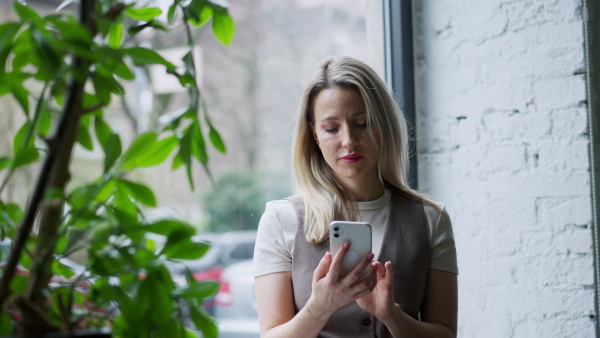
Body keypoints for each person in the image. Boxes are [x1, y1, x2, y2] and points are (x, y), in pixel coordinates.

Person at [253, 56, 458, 338]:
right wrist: (319, 309)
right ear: (314, 133)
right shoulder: (281, 221)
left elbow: (446, 334)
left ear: (383, 124)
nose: (348, 140)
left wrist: (392, 316)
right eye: (331, 128)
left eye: (363, 123)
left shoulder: (431, 219)